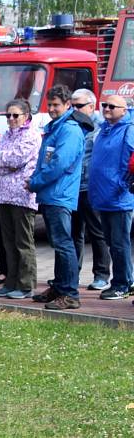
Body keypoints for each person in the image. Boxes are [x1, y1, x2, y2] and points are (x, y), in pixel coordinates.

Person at [29, 85, 89, 310]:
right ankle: (60, 286)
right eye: (50, 104)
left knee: (64, 244)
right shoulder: (56, 127)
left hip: (59, 194)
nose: (52, 108)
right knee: (60, 243)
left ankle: (70, 294)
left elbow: (59, 164)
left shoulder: (69, 130)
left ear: (67, 106)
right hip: (52, 193)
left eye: (57, 105)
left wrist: (35, 182)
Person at [0, 99, 42, 300]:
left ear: (26, 116)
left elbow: (16, 159)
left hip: (22, 195)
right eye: (8, 115)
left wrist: (4, 160)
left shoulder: (32, 135)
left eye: (15, 115)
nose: (11, 119)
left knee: (23, 242)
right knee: (8, 242)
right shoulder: (4, 135)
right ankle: (10, 282)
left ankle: (26, 284)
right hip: (3, 194)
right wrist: (4, 161)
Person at [87, 95, 134, 300]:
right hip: (103, 195)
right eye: (104, 105)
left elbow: (130, 161)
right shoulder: (104, 128)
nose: (106, 109)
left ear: (124, 110)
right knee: (111, 241)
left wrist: (121, 185)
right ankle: (124, 281)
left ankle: (122, 284)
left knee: (119, 243)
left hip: (118, 197)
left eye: (112, 106)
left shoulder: (128, 129)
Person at [70, 88, 112, 291]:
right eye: (72, 105)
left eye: (79, 106)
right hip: (72, 186)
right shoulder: (71, 125)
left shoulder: (102, 127)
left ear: (91, 105)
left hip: (92, 186)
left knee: (97, 231)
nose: (74, 109)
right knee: (74, 232)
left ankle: (102, 274)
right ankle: (72, 273)